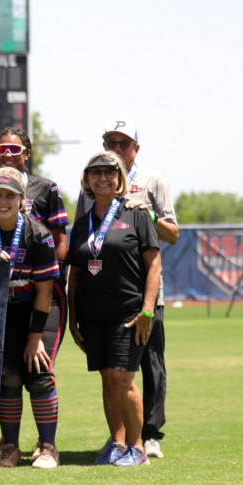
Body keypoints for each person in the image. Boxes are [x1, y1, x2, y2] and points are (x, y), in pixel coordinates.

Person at [74, 120, 178, 459]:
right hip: (95, 309)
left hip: (136, 304)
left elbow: (165, 247)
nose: (115, 150)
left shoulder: (146, 193)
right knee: (109, 378)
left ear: (135, 148)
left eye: (123, 144)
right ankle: (118, 442)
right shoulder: (84, 210)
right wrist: (75, 316)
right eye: (110, 143)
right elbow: (77, 262)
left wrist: (148, 308)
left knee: (134, 374)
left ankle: (145, 440)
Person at [0, 127, 70, 465]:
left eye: (9, 196)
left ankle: (47, 446)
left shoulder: (37, 233)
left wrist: (34, 336)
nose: (2, 201)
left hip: (40, 302)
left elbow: (45, 288)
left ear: (21, 199)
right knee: (8, 374)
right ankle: (10, 445)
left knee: (38, 368)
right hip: (4, 306)